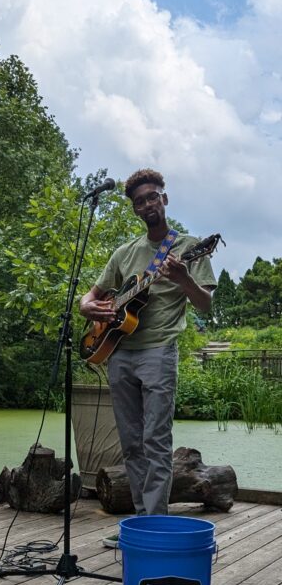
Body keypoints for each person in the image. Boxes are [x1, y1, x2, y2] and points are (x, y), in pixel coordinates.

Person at [79, 169, 217, 545]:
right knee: (130, 442)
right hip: (120, 352)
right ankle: (140, 522)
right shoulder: (125, 253)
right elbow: (87, 299)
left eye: (152, 196)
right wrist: (93, 310)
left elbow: (205, 304)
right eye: (140, 201)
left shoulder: (188, 247)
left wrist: (185, 279)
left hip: (158, 353)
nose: (147, 204)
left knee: (156, 440)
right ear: (135, 209)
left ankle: (154, 527)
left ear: (164, 199)